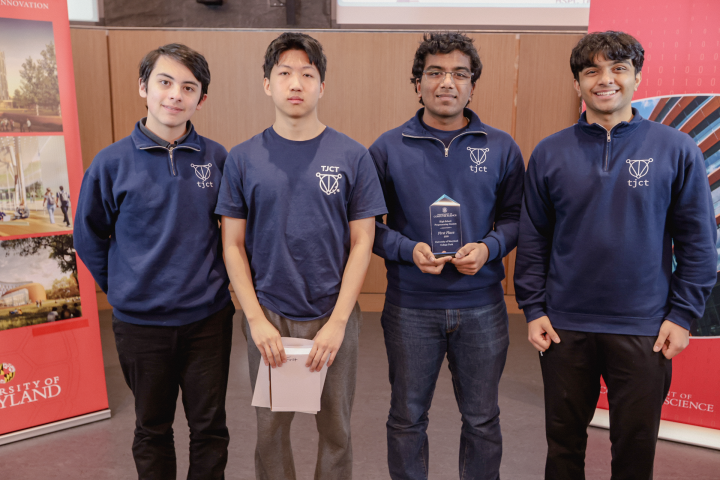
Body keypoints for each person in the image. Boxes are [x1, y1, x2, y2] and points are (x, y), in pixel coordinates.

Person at [514, 31, 717, 480]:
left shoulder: (675, 149)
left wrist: (683, 316)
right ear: (578, 84)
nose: (605, 80)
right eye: (592, 71)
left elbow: (699, 243)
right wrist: (533, 308)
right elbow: (534, 240)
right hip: (565, 326)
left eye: (618, 69)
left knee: (635, 448)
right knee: (562, 444)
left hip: (644, 329)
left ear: (637, 78)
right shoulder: (549, 153)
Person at [216, 32, 387, 480]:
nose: (296, 83)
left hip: (334, 315)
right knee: (270, 431)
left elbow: (363, 242)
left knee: (337, 430)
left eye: (307, 74)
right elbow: (232, 244)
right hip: (269, 315)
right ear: (267, 84)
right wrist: (254, 318)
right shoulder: (243, 158)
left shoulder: (352, 156)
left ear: (321, 86)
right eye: (285, 73)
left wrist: (336, 322)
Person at [74, 43, 235, 480]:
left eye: (188, 87)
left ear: (200, 98)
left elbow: (235, 234)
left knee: (209, 429)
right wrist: (126, 287)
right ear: (143, 87)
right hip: (140, 327)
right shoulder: (110, 164)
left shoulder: (218, 159)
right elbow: (87, 237)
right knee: (152, 429)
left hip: (208, 320)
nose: (174, 95)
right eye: (164, 82)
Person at [369, 32, 525, 480]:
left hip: (483, 306)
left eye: (460, 74)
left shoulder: (501, 147)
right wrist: (406, 250)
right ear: (416, 82)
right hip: (409, 307)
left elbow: (517, 219)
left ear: (473, 85)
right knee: (406, 418)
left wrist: (491, 247)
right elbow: (364, 229)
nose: (446, 83)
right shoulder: (386, 148)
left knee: (482, 419)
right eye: (434, 72)